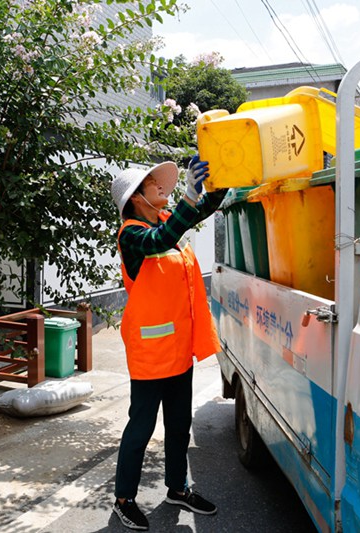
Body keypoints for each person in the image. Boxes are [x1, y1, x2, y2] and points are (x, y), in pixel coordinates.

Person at [109, 156, 227, 531]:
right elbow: (161, 240)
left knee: (179, 425)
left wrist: (222, 180)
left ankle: (178, 487)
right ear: (136, 199)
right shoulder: (132, 234)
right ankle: (124, 498)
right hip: (149, 354)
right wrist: (189, 199)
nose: (163, 187)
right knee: (141, 428)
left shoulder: (164, 221)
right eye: (153, 185)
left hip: (178, 349)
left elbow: (202, 209)